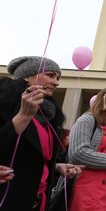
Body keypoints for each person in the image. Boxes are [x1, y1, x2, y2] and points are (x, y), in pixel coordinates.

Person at [0, 56, 83, 211]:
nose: (56, 82)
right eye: (50, 75)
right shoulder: (6, 101)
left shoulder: (48, 114)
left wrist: (56, 166)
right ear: (27, 75)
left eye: (58, 78)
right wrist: (23, 116)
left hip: (38, 200)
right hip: (8, 197)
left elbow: (33, 155)